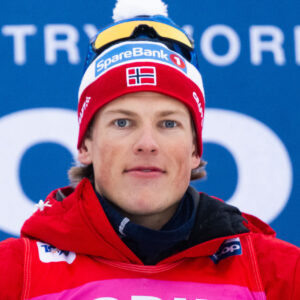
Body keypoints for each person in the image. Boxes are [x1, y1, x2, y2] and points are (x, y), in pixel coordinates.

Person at [1, 0, 299, 299]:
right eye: (122, 122)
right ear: (85, 146)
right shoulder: (14, 271)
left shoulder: (276, 271)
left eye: (168, 124)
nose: (147, 144)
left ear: (195, 149)